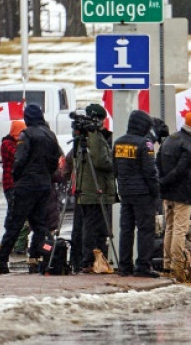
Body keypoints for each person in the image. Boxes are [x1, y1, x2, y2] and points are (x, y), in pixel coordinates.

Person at [0, 104, 62, 276]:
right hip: (44, 185)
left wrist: (18, 178)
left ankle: (1, 262)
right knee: (40, 225)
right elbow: (56, 159)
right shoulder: (50, 134)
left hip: (26, 185)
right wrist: (46, 176)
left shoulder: (27, 135)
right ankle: (43, 257)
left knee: (14, 224)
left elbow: (19, 160)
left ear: (27, 118)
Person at [67, 103, 115, 274]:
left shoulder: (81, 136)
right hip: (95, 190)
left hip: (84, 188)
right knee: (95, 227)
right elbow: (101, 161)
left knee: (85, 226)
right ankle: (91, 261)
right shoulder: (94, 136)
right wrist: (113, 162)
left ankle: (83, 260)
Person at [113, 109, 160, 278]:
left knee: (126, 229)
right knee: (145, 230)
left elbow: (115, 169)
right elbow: (150, 172)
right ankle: (143, 266)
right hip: (143, 193)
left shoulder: (118, 143)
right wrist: (156, 193)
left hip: (125, 192)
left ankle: (124, 266)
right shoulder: (144, 144)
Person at [158, 111, 191, 279]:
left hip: (167, 193)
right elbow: (183, 169)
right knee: (180, 229)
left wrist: (162, 182)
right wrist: (167, 180)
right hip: (182, 192)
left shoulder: (170, 139)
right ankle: (177, 266)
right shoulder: (190, 143)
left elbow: (158, 162)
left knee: (169, 227)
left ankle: (167, 264)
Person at [0, 120, 30, 256]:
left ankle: (15, 243)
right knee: (13, 214)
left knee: (17, 214)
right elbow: (18, 155)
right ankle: (8, 244)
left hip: (18, 183)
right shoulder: (7, 144)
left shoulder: (16, 143)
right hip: (10, 184)